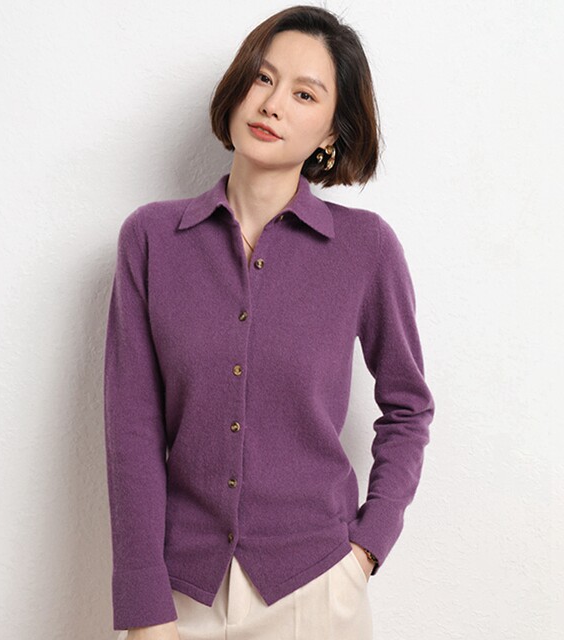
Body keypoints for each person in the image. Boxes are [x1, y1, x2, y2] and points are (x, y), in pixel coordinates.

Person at [103, 5, 435, 640]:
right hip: (181, 593)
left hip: (316, 590)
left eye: (304, 94)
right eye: (263, 77)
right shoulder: (151, 239)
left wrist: (367, 547)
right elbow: (131, 430)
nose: (272, 104)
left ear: (331, 133)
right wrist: (144, 605)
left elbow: (408, 407)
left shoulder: (365, 249)